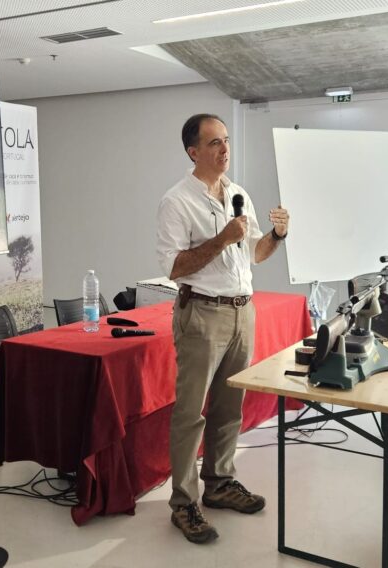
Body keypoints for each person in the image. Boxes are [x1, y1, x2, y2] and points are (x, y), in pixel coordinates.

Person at [156, 114, 290, 544]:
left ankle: (219, 485)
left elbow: (255, 253)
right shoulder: (176, 202)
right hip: (202, 313)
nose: (224, 149)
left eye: (226, 141)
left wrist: (277, 234)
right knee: (190, 413)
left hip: (241, 309)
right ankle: (183, 504)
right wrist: (220, 240)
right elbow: (174, 267)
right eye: (214, 143)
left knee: (229, 408)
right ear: (193, 151)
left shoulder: (238, 194)